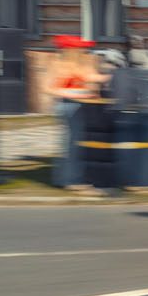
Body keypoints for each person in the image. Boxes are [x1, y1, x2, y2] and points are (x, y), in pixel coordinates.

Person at [45, 35, 107, 190]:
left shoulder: (81, 64)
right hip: (67, 106)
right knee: (71, 143)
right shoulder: (58, 64)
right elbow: (47, 88)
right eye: (80, 48)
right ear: (70, 50)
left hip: (83, 105)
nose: (84, 50)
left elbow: (91, 77)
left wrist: (110, 76)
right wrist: (73, 94)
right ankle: (69, 180)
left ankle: (73, 177)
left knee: (78, 143)